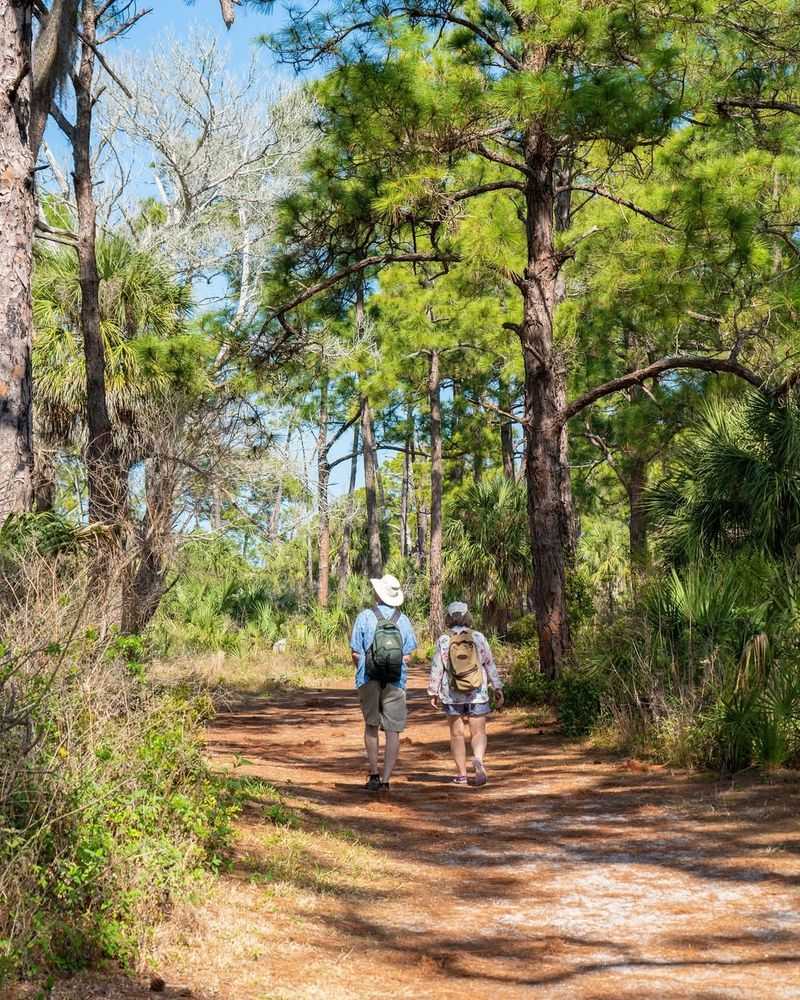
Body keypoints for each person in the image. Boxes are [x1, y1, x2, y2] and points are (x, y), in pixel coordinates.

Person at [351, 573, 417, 792]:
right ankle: (387, 780)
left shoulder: (364, 617)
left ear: (378, 594)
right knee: (392, 731)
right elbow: (408, 655)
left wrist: (366, 668)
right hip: (396, 680)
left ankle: (373, 774)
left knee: (371, 726)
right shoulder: (403, 620)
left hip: (368, 678)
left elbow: (355, 652)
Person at [428, 601, 504, 786]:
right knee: (478, 732)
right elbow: (489, 664)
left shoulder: (444, 640)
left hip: (452, 693)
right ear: (466, 616)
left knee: (457, 735)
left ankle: (462, 775)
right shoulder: (478, 637)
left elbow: (437, 667)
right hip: (477, 692)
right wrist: (497, 686)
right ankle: (478, 758)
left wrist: (433, 691)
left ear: (448, 617)